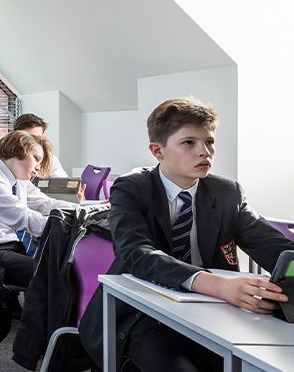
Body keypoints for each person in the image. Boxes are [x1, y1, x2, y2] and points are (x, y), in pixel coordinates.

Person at [79, 98, 294, 371]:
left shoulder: (227, 193)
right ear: (157, 150)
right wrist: (219, 285)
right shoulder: (132, 188)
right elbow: (136, 253)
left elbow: (271, 245)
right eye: (189, 143)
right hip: (143, 314)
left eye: (210, 142)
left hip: (214, 314)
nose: (204, 152)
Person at [0, 130, 78, 288]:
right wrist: (69, 224)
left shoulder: (17, 180)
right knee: (56, 275)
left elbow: (46, 204)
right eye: (36, 159)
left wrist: (83, 209)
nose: (38, 168)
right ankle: (37, 313)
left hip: (5, 243)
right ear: (18, 150)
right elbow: (25, 219)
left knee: (59, 266)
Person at [13, 113, 68, 178]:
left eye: (39, 138)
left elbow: (61, 181)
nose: (35, 142)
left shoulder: (49, 159)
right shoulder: (8, 158)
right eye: (30, 137)